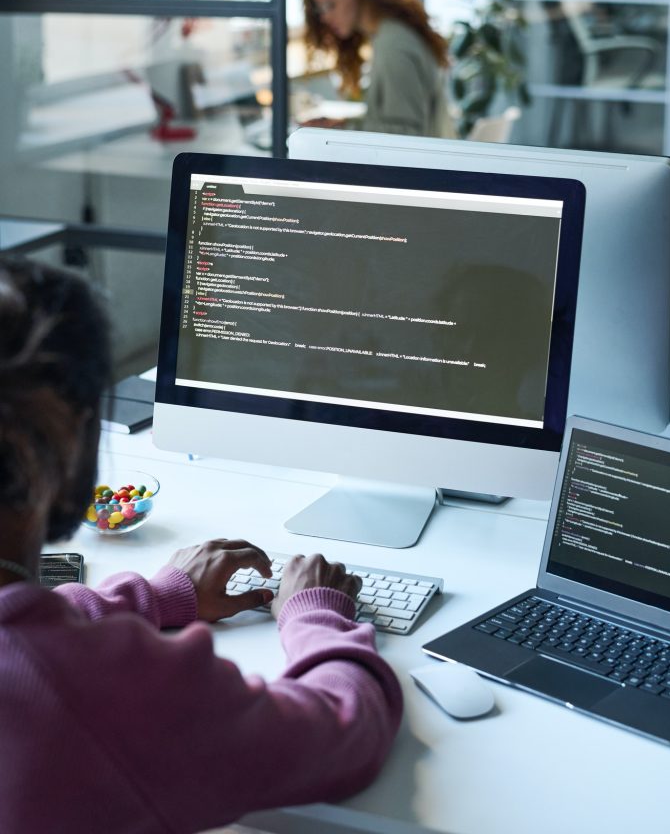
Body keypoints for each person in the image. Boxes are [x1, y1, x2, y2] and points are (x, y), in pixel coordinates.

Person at [0, 256, 403, 834]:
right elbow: (344, 731)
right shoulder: (101, 690)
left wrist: (152, 596)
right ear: (69, 443)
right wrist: (314, 615)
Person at [301, 0, 453, 138]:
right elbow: (394, 122)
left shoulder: (394, 45)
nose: (325, 18)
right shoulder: (390, 34)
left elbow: (406, 134)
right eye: (320, 10)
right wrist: (343, 125)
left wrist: (343, 131)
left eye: (329, 4)